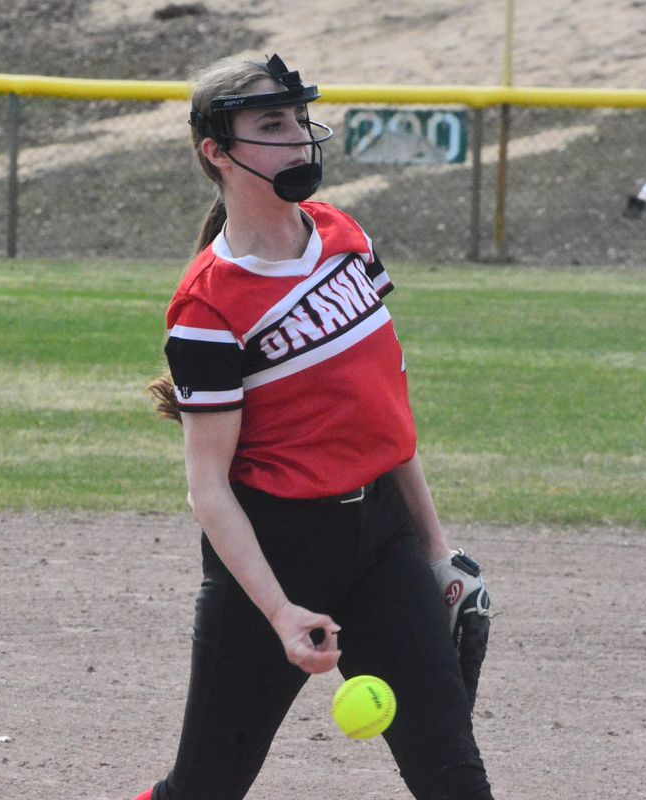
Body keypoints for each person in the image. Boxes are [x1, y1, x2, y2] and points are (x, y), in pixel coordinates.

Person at [131, 53, 494, 800]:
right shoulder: (207, 306)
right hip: (274, 554)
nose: (297, 139)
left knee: (454, 777)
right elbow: (207, 488)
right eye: (271, 124)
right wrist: (278, 610)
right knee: (205, 786)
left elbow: (383, 415)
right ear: (217, 152)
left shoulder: (345, 237)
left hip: (384, 543)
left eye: (298, 120)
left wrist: (434, 550)